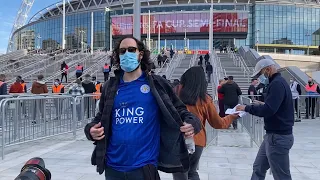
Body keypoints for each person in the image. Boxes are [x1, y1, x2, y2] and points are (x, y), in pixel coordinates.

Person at [84, 37, 201, 179]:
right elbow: (100, 117)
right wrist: (90, 130)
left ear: (140, 54)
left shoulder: (157, 84)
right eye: (122, 51)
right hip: (112, 166)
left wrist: (192, 123)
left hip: (144, 167)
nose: (127, 53)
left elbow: (180, 110)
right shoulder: (110, 86)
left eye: (131, 50)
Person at [172, 67, 238, 180]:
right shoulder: (205, 99)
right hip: (197, 141)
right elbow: (217, 123)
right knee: (192, 172)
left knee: (179, 173)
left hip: (176, 140)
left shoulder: (175, 94)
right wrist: (232, 116)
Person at [236, 58, 294, 180]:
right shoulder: (276, 83)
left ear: (268, 69)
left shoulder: (277, 84)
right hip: (272, 136)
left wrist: (247, 108)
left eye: (260, 74)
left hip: (278, 137)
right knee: (258, 167)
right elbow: (274, 107)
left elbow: (269, 110)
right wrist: (260, 105)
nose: (259, 78)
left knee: (281, 175)